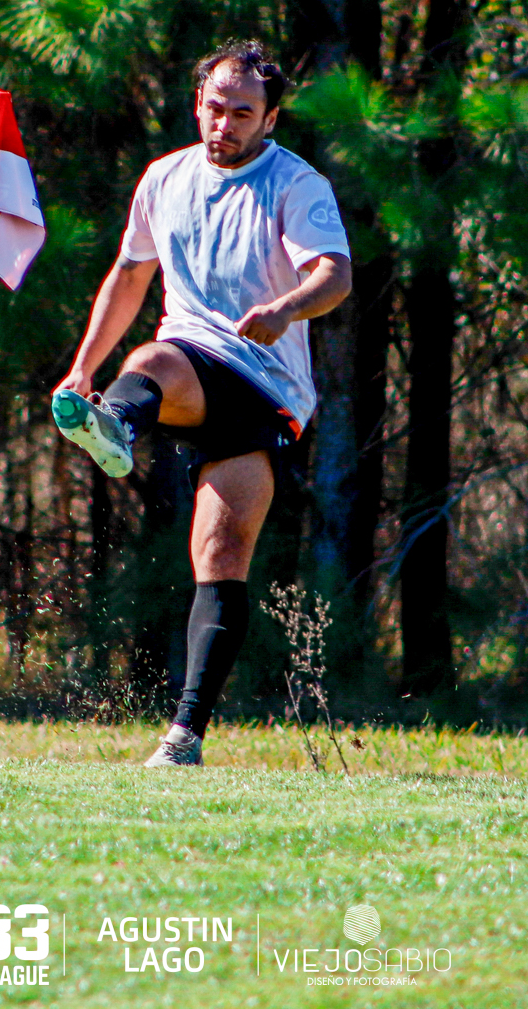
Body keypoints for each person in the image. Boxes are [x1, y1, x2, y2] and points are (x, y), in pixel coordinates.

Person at [52, 40, 352, 767]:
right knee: (156, 357)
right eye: (216, 108)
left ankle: (185, 734)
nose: (225, 124)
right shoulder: (164, 179)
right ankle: (114, 422)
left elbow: (335, 274)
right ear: (197, 104)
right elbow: (130, 277)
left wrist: (285, 308)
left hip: (268, 388)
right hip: (192, 358)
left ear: (270, 119)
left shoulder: (296, 183)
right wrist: (82, 369)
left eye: (243, 113)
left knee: (221, 556)